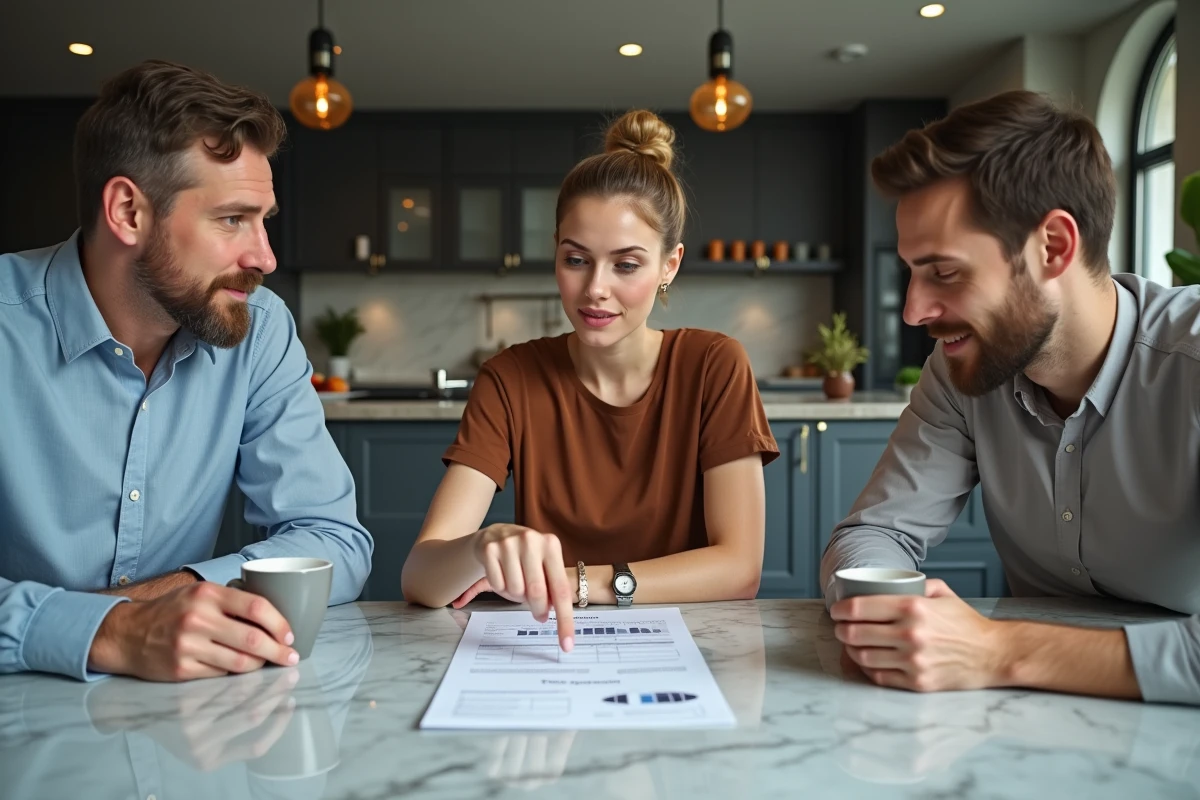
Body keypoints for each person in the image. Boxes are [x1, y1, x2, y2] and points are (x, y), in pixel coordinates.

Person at [821, 89, 1200, 705]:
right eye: (911, 273)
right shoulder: (960, 373)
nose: (915, 310)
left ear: (1053, 246)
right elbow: (874, 532)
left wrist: (997, 650)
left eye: (944, 273)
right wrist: (892, 617)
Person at [0, 60, 373, 682]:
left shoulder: (260, 329)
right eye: (232, 219)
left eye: (264, 220)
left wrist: (178, 597)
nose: (266, 257)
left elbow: (333, 539)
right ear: (128, 212)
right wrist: (103, 631)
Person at [401, 110, 779, 647]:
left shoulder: (715, 364)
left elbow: (740, 569)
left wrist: (576, 583)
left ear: (669, 265)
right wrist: (480, 547)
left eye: (626, 265)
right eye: (576, 259)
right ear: (555, 251)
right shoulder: (511, 378)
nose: (595, 289)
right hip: (552, 648)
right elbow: (419, 578)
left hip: (693, 647)